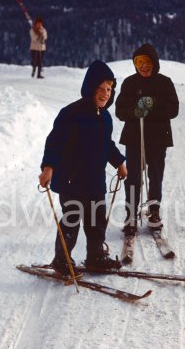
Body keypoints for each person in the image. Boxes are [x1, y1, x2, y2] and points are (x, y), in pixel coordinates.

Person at [39, 60, 127, 275]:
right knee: (71, 222)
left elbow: (107, 145)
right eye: (101, 89)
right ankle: (62, 261)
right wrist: (48, 167)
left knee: (97, 222)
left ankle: (95, 256)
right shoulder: (70, 113)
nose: (105, 94)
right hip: (72, 181)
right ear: (90, 88)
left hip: (95, 182)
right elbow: (55, 142)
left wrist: (119, 162)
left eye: (109, 89)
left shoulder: (105, 117)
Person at [115, 43, 179, 235]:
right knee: (133, 176)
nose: (144, 66)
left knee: (156, 176)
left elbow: (173, 109)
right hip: (135, 138)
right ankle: (131, 214)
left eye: (148, 62)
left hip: (158, 138)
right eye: (140, 62)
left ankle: (154, 212)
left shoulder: (165, 83)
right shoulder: (129, 83)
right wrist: (135, 111)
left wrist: (152, 105)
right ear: (135, 63)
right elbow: (120, 110)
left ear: (155, 63)